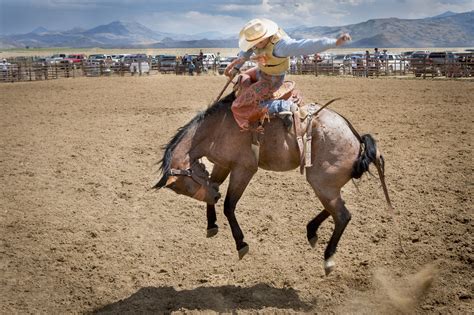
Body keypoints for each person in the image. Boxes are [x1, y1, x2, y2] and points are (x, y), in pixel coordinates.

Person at [224, 18, 351, 131]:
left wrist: (333, 42)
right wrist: (236, 68)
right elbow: (245, 52)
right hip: (261, 71)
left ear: (266, 35)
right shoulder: (257, 42)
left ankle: (284, 105)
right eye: (253, 43)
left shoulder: (281, 46)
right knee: (242, 79)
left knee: (239, 105)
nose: (255, 45)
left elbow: (304, 46)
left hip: (272, 79)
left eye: (258, 42)